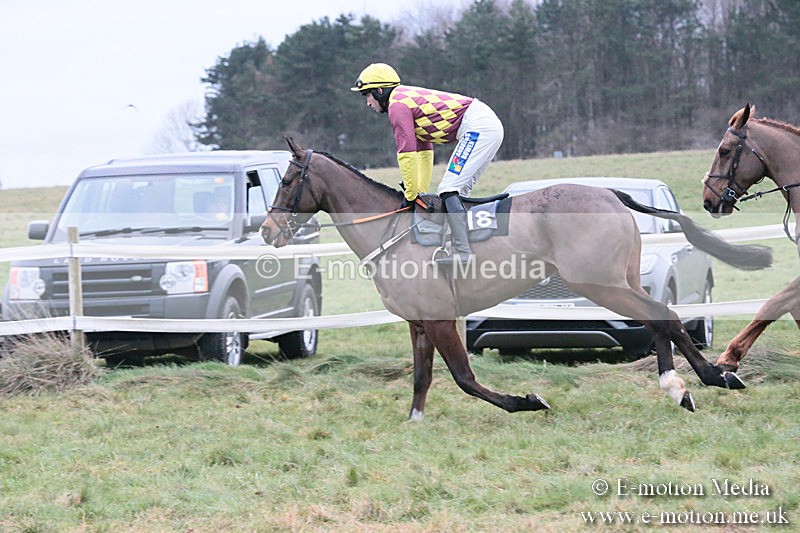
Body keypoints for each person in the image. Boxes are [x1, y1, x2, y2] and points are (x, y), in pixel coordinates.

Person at [351, 63, 504, 264]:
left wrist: (410, 194)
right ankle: (465, 245)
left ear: (379, 91)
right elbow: (424, 152)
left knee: (449, 189)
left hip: (478, 127)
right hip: (484, 124)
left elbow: (406, 154)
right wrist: (419, 192)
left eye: (367, 95)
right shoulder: (405, 100)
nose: (368, 103)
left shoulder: (398, 106)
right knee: (458, 192)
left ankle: (464, 253)